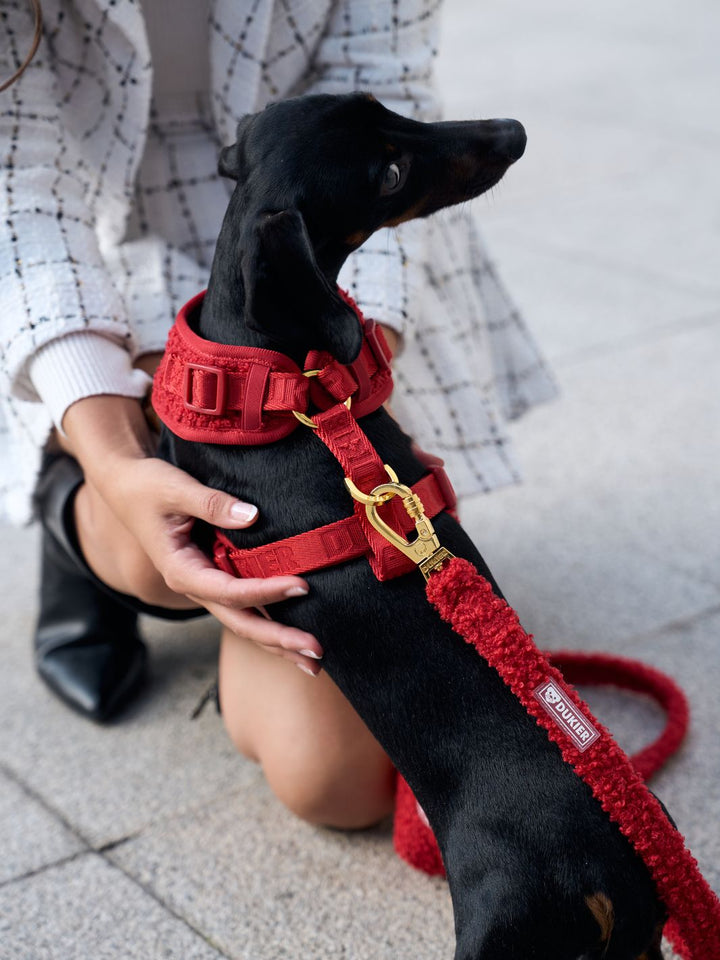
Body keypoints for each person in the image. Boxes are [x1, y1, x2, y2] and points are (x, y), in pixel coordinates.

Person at [0, 0, 556, 828]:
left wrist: (338, 377)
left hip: (320, 268)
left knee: (335, 786)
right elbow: (20, 199)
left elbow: (380, 98)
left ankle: (214, 544)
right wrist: (115, 463)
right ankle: (80, 500)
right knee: (150, 550)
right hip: (105, 260)